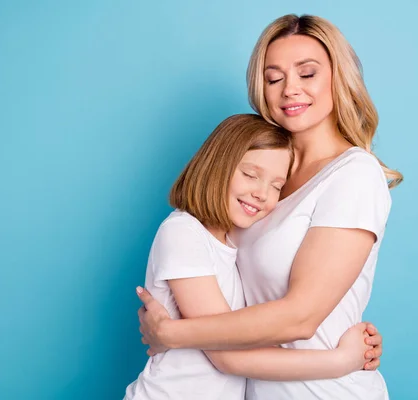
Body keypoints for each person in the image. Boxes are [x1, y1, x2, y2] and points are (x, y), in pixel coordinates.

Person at [137, 14, 401, 400]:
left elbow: (301, 317)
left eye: (307, 73)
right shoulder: (262, 179)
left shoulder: (353, 174)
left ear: (337, 77)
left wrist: (173, 333)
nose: (289, 89)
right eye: (274, 78)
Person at [125, 114, 380, 400]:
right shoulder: (182, 233)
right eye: (250, 175)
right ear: (216, 166)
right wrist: (342, 360)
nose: (261, 193)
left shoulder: (234, 244)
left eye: (276, 186)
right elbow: (227, 356)